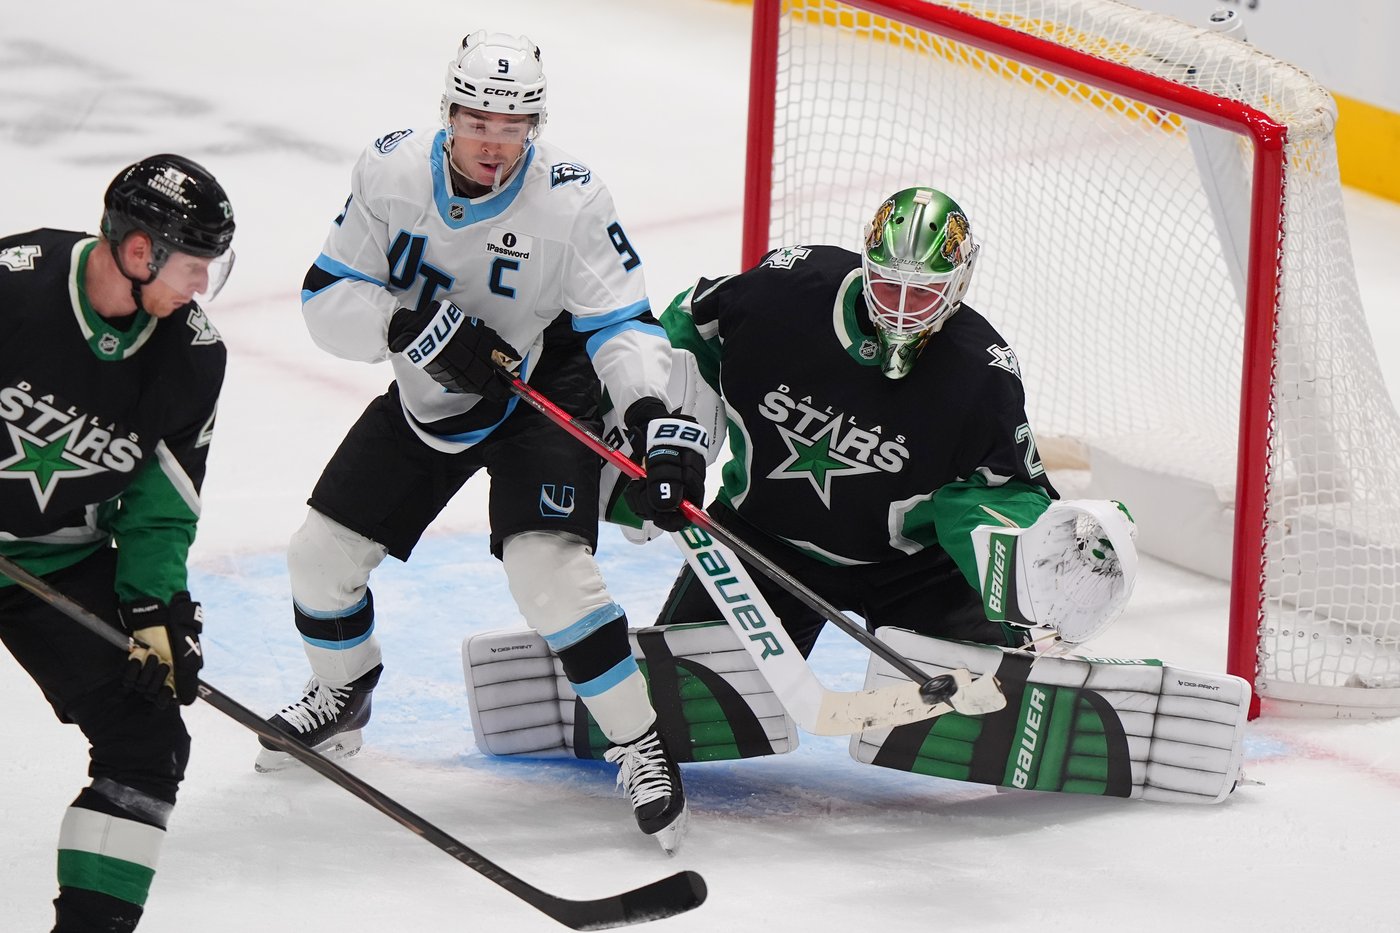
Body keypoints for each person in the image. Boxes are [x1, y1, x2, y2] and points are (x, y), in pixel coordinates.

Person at [255, 30, 696, 851]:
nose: (494, 141)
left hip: (542, 382)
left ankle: (640, 742)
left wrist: (647, 417)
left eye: (514, 123)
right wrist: (404, 322)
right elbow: (324, 295)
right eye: (477, 119)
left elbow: (622, 322)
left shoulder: (572, 196)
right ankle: (344, 693)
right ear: (449, 112)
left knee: (548, 572)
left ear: (537, 124)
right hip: (434, 386)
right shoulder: (389, 171)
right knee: (319, 555)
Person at [638, 186, 1135, 656]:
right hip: (762, 542)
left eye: (921, 293)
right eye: (887, 284)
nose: (899, 309)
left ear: (959, 282)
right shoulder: (786, 294)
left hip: (912, 573)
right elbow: (684, 332)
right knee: (682, 702)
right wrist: (659, 436)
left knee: (967, 725)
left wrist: (1039, 551)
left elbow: (1000, 491)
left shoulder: (979, 372)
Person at [0, 155, 236, 931]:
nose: (202, 286)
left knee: (148, 741)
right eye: (194, 264)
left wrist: (154, 604)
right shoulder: (14, 282)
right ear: (140, 252)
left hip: (55, 561)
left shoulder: (192, 354)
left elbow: (161, 502)